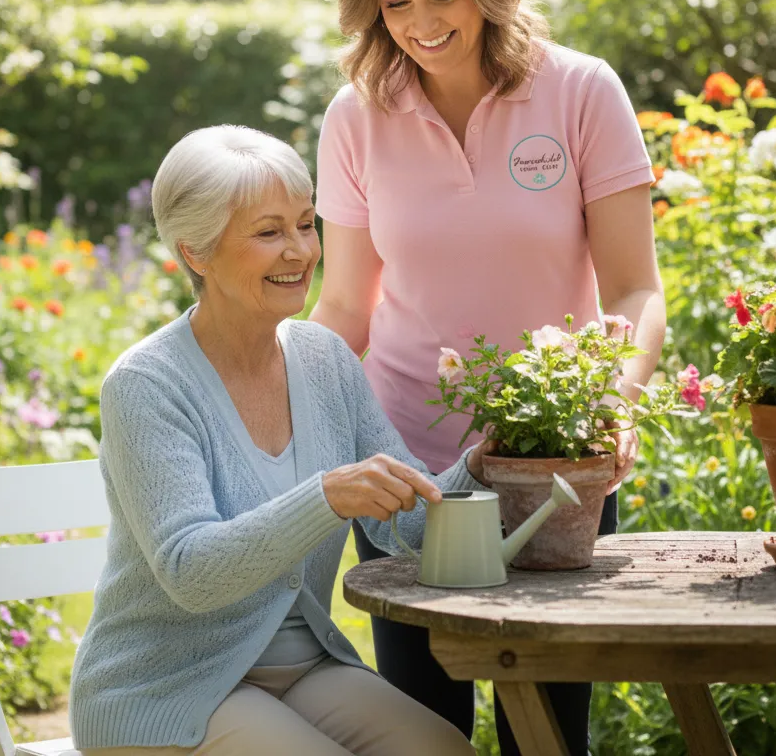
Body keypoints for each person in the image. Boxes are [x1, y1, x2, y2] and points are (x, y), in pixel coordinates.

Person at [309, 0, 666, 756]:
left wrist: (609, 408)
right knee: (423, 731)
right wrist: (274, 415)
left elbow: (633, 289)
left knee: (545, 732)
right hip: (407, 475)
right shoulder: (356, 119)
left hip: (553, 466)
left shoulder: (581, 92)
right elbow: (348, 303)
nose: (423, 23)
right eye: (395, 3)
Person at [68, 124, 490, 756]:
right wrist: (327, 497)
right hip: (167, 686)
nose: (300, 251)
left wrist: (493, 458)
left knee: (446, 750)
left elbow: (405, 529)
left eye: (304, 223)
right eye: (268, 233)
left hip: (305, 669)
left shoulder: (324, 359)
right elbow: (190, 573)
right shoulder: (146, 385)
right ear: (196, 252)